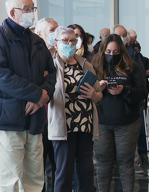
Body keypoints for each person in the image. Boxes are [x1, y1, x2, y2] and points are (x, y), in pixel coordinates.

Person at [0, 0, 57, 192]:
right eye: (26, 9)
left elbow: (51, 74)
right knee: (12, 181)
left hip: (34, 118)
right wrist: (36, 94)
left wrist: (42, 97)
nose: (31, 13)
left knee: (34, 179)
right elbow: (0, 76)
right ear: (12, 12)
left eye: (32, 9)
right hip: (7, 119)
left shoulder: (38, 41)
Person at [48, 26, 102, 192]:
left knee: (86, 171)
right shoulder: (51, 66)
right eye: (65, 40)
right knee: (65, 172)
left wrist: (94, 95)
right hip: (64, 127)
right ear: (56, 44)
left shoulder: (85, 65)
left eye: (73, 40)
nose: (70, 43)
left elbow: (99, 95)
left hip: (85, 125)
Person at [92, 34, 147, 192]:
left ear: (121, 51)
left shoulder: (131, 66)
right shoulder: (95, 66)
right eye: (108, 51)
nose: (111, 55)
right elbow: (84, 92)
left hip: (127, 123)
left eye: (115, 52)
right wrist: (98, 89)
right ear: (103, 50)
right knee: (103, 162)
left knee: (125, 162)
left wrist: (125, 90)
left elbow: (142, 92)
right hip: (102, 122)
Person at [35, 17, 59, 191]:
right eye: (52, 30)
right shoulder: (34, 57)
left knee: (59, 167)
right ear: (40, 34)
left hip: (58, 119)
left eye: (57, 29)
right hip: (40, 119)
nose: (56, 33)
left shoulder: (63, 56)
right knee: (38, 167)